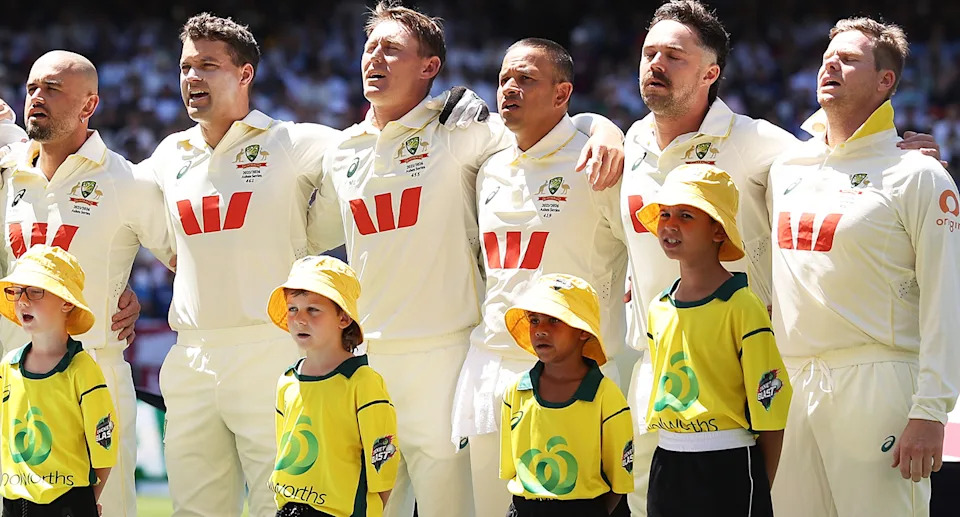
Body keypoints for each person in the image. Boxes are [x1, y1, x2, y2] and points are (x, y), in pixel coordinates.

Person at [143, 12, 488, 516]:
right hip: (201, 350)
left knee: (286, 501)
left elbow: (528, 143)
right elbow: (120, 205)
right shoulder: (169, 155)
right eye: (186, 66)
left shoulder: (306, 142)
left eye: (207, 65)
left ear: (244, 75)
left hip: (285, 345)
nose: (192, 77)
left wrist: (468, 104)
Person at [617, 2, 941, 514]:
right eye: (649, 52)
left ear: (711, 72)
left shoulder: (767, 147)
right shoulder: (627, 141)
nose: (656, 63)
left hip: (748, 373)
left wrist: (900, 154)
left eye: (674, 55)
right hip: (665, 369)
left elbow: (843, 162)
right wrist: (595, 131)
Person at [309, 4, 625, 516]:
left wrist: (608, 129)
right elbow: (304, 230)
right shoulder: (342, 150)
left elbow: (551, 126)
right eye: (370, 47)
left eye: (391, 48)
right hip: (371, 355)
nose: (375, 58)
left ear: (429, 67)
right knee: (371, 505)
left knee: (453, 507)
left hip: (448, 351)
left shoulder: (462, 131)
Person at [767, 17, 960, 517]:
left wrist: (930, 411)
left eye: (848, 59)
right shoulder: (786, 166)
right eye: (828, 56)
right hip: (793, 384)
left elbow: (946, 296)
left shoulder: (918, 174)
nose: (830, 63)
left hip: (880, 383)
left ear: (885, 82)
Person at [451, 38, 629, 517]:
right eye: (504, 78)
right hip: (493, 370)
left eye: (526, 78)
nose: (509, 88)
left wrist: (607, 129)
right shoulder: (488, 168)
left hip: (574, 377)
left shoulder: (597, 160)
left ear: (562, 93)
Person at [0, 50, 171, 517]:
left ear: (88, 105)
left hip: (94, 375)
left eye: (52, 89)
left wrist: (124, 290)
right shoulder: (8, 175)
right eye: (32, 87)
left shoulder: (128, 181)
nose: (36, 97)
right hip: (14, 381)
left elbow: (185, 256)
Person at [636, 164, 790, 517]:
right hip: (666, 465)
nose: (670, 224)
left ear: (718, 231)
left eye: (687, 215)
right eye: (665, 214)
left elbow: (771, 407)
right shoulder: (658, 307)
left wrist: (756, 484)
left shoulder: (742, 305)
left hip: (729, 465)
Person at [266, 255, 399, 517]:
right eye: (293, 308)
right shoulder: (287, 382)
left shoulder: (364, 383)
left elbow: (383, 461)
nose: (300, 319)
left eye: (313, 309)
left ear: (343, 318)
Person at [500, 273, 633, 516]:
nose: (540, 330)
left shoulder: (606, 396)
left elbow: (619, 483)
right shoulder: (515, 392)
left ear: (583, 331)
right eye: (534, 320)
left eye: (554, 321)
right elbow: (512, 471)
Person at [0, 245, 116, 517]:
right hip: (13, 503)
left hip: (70, 504)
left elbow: (104, 441)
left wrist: (88, 498)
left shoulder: (82, 368)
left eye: (35, 290)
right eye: (16, 291)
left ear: (66, 302)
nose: (23, 301)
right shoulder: (7, 366)